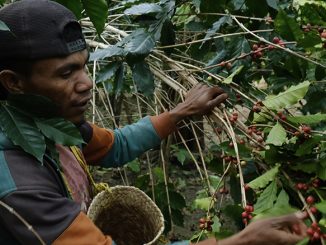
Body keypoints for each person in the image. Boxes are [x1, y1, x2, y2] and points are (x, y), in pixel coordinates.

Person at [0, 1, 307, 244]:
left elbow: (113, 147)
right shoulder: (20, 185)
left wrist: (181, 113)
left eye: (83, 67)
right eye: (66, 74)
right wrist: (242, 241)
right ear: (13, 82)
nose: (87, 83)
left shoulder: (50, 122)